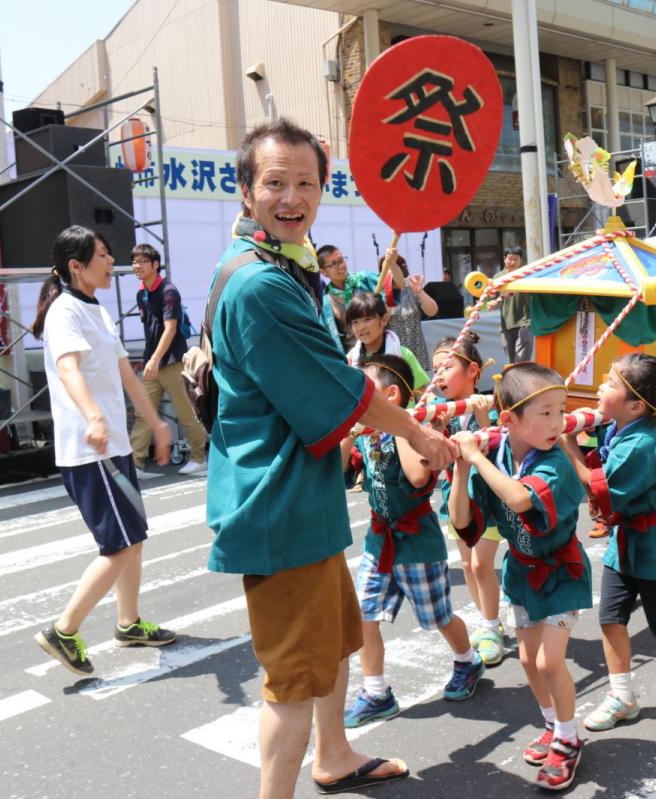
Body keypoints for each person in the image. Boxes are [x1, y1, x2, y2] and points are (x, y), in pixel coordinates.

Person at [205, 118, 455, 799]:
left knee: (338, 636)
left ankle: (335, 754)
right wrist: (421, 435)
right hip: (277, 500)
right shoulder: (261, 284)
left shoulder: (275, 264)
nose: (292, 197)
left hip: (298, 491)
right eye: (275, 182)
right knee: (291, 679)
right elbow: (344, 392)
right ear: (246, 191)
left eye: (306, 182)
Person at [30, 225, 179, 676]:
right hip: (89, 450)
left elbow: (126, 374)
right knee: (119, 544)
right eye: (102, 255)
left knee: (133, 539)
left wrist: (156, 423)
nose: (111, 261)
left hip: (111, 447)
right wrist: (93, 416)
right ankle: (64, 630)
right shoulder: (64, 313)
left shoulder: (96, 310)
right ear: (76, 266)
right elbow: (68, 370)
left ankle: (128, 622)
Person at [557, 355, 656, 735]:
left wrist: (568, 445)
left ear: (635, 405)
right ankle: (622, 696)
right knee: (611, 618)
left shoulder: (642, 441)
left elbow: (601, 490)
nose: (600, 385)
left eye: (610, 382)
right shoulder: (621, 427)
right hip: (625, 539)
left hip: (654, 543)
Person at [448, 363, 588, 791]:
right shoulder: (498, 456)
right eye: (544, 413)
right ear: (509, 419)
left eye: (560, 411)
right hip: (522, 574)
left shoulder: (554, 463)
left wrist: (474, 455)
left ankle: (569, 738)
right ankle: (551, 723)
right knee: (528, 661)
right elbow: (462, 522)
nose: (557, 423)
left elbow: (520, 499)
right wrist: (460, 467)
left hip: (561, 573)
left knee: (549, 660)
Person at [340, 355, 485, 727]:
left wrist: (404, 427)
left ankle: (468, 661)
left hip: (417, 542)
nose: (358, 398)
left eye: (365, 389)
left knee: (439, 616)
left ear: (390, 395)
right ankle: (376, 692)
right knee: (364, 616)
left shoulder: (416, 430)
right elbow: (338, 469)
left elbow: (418, 478)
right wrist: (348, 433)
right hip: (379, 540)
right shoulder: (367, 431)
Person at [430, 333, 506, 667]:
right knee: (466, 565)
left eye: (447, 367)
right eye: (435, 370)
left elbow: (492, 445)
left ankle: (490, 627)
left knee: (480, 564)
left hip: (485, 498)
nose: (439, 376)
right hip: (456, 496)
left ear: (473, 370)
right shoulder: (440, 411)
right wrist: (436, 427)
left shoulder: (486, 402)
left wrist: (484, 416)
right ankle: (487, 620)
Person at [128, 243, 208, 477]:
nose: (136, 266)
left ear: (155, 265)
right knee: (144, 412)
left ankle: (199, 458)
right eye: (134, 262)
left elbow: (170, 328)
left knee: (186, 412)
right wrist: (151, 360)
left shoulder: (168, 291)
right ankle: (136, 464)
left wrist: (153, 359)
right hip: (153, 362)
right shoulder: (142, 293)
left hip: (172, 362)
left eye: (142, 261)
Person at [318, 244, 404, 351]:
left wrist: (392, 263)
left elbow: (399, 284)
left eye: (341, 260)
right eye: (333, 264)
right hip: (353, 357)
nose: (340, 265)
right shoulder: (324, 301)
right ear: (323, 272)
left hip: (382, 348)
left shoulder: (364, 279)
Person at [344, 292, 430, 397]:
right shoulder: (350, 360)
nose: (361, 327)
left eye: (367, 319)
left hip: (401, 413)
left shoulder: (403, 355)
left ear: (384, 320)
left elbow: (422, 393)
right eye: (355, 322)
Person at [384, 253, 438, 370]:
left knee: (419, 388)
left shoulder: (411, 289)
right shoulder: (380, 293)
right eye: (387, 268)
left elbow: (432, 311)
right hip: (392, 352)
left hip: (415, 349)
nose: (391, 273)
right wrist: (387, 292)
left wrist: (419, 291)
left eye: (394, 267)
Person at [497, 246, 533, 363]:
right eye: (510, 259)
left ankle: (524, 378)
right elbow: (488, 300)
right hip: (506, 323)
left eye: (516, 259)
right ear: (504, 259)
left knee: (522, 358)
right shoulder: (498, 278)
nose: (512, 262)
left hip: (525, 321)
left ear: (521, 260)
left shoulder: (528, 275)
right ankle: (515, 380)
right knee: (511, 361)